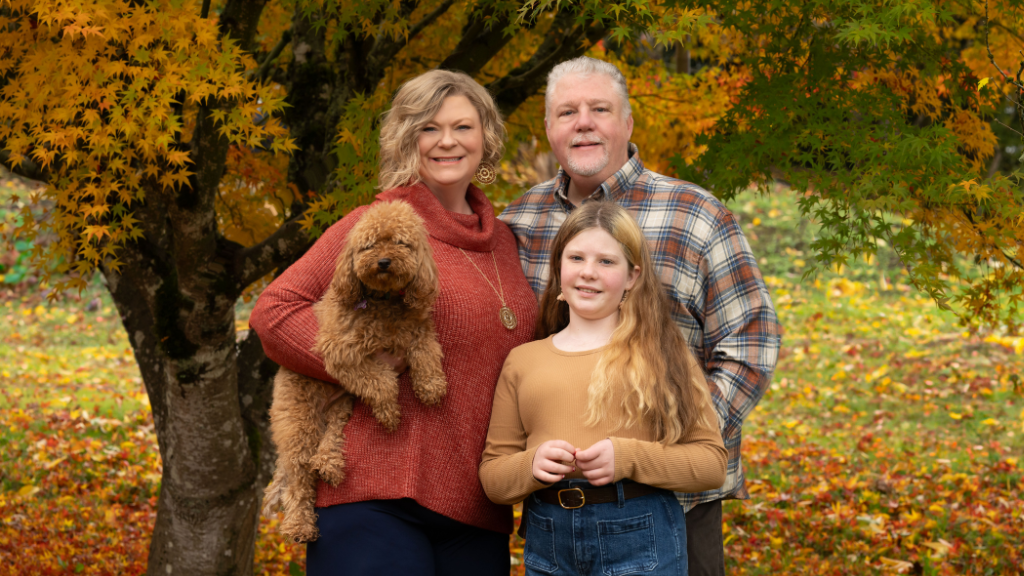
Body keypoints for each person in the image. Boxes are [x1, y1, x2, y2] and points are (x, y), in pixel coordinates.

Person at [499, 56, 782, 576]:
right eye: (567, 112)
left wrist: (668, 449)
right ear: (548, 129)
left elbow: (751, 343)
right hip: (558, 513)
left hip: (676, 503)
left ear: (627, 123)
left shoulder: (695, 213)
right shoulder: (518, 222)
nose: (582, 122)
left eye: (599, 109)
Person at [249, 69, 537, 576]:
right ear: (408, 139)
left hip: (478, 506)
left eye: (463, 127)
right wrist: (361, 362)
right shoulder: (377, 225)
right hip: (372, 494)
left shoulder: (507, 245)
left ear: (486, 139)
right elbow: (273, 312)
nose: (447, 141)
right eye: (429, 127)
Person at [480, 201, 727, 576]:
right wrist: (532, 464)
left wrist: (627, 457)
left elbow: (711, 464)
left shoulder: (662, 352)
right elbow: (494, 479)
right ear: (558, 269)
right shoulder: (523, 361)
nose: (588, 273)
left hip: (640, 536)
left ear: (632, 276)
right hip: (548, 540)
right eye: (576, 257)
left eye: (607, 262)